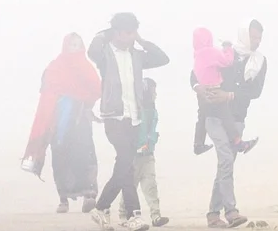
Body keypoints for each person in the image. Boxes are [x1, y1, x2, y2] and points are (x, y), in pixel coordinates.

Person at [86, 12, 170, 231]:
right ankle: (134, 214)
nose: (130, 37)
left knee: (124, 166)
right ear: (116, 32)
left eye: (133, 33)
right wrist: (104, 34)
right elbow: (91, 51)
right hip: (114, 117)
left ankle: (101, 208)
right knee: (126, 163)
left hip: (134, 117)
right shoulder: (105, 54)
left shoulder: (137, 55)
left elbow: (163, 58)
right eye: (126, 33)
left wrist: (142, 41)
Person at [191, 19, 268, 229]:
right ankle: (231, 211)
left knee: (225, 165)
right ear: (244, 35)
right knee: (225, 159)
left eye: (260, 37)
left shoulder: (259, 61)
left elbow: (255, 92)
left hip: (237, 120)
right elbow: (195, 74)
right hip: (214, 115)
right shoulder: (225, 53)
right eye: (253, 37)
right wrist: (199, 88)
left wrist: (229, 95)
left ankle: (213, 215)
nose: (257, 41)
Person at [20, 33, 101, 214]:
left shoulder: (86, 66)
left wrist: (82, 98)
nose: (74, 48)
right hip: (58, 123)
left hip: (80, 120)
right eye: (71, 45)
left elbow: (96, 88)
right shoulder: (55, 67)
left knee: (85, 155)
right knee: (60, 158)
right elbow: (47, 92)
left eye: (78, 45)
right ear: (65, 46)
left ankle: (89, 195)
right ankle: (63, 199)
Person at [192, 27, 257, 155]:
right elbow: (227, 61)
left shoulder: (197, 54)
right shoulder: (210, 52)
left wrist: (197, 86)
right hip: (214, 90)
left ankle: (198, 144)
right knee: (226, 115)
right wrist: (228, 48)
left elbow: (194, 74)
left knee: (202, 116)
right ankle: (238, 143)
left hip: (203, 92)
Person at [117, 78, 169, 228]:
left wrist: (151, 141)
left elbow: (150, 131)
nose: (156, 95)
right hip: (135, 156)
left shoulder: (152, 111)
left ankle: (156, 215)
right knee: (130, 186)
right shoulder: (134, 111)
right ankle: (123, 215)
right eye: (153, 91)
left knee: (150, 185)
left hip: (148, 154)